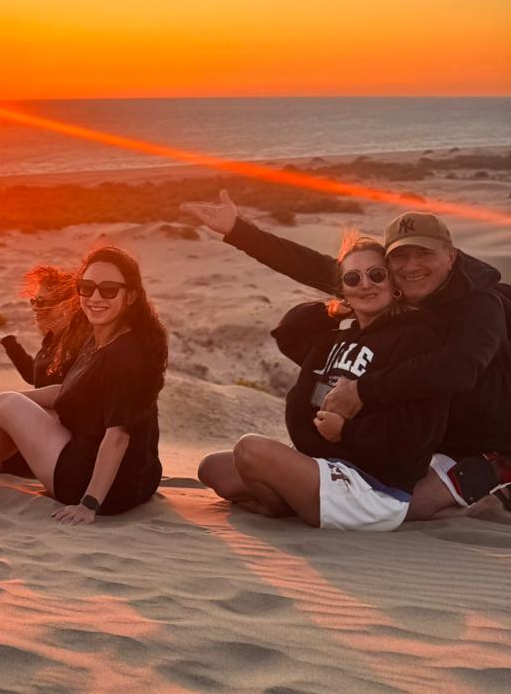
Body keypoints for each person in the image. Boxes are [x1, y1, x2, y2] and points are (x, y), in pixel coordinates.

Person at [182, 192, 511, 519]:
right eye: (400, 257)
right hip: (419, 433)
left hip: (477, 438)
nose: (412, 266)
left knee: (408, 509)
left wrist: (361, 391)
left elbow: (457, 369)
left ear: (450, 256)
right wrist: (238, 230)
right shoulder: (388, 289)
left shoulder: (480, 305)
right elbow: (317, 268)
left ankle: (494, 479)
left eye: (424, 254)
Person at [198, 234, 449, 529]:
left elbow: (419, 433)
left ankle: (278, 505)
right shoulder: (340, 336)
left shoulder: (417, 338)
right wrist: (334, 311)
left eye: (376, 274)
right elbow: (288, 331)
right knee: (212, 468)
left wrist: (347, 432)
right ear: (343, 289)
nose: (365, 284)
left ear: (393, 282)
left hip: (373, 489)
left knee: (250, 449)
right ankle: (289, 501)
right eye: (353, 279)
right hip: (324, 466)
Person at [0, 245, 166, 524]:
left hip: (100, 487)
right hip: (132, 478)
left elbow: (118, 436)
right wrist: (11, 403)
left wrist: (89, 504)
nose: (95, 297)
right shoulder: (103, 337)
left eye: (109, 290)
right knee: (9, 403)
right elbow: (68, 391)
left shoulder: (125, 355)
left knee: (6, 403)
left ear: (131, 295)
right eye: (86, 287)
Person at [0, 264, 91, 389]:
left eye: (41, 302)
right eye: (33, 301)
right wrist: (10, 343)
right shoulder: (51, 339)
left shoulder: (81, 344)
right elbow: (33, 375)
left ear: (66, 306)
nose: (35, 307)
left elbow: (71, 391)